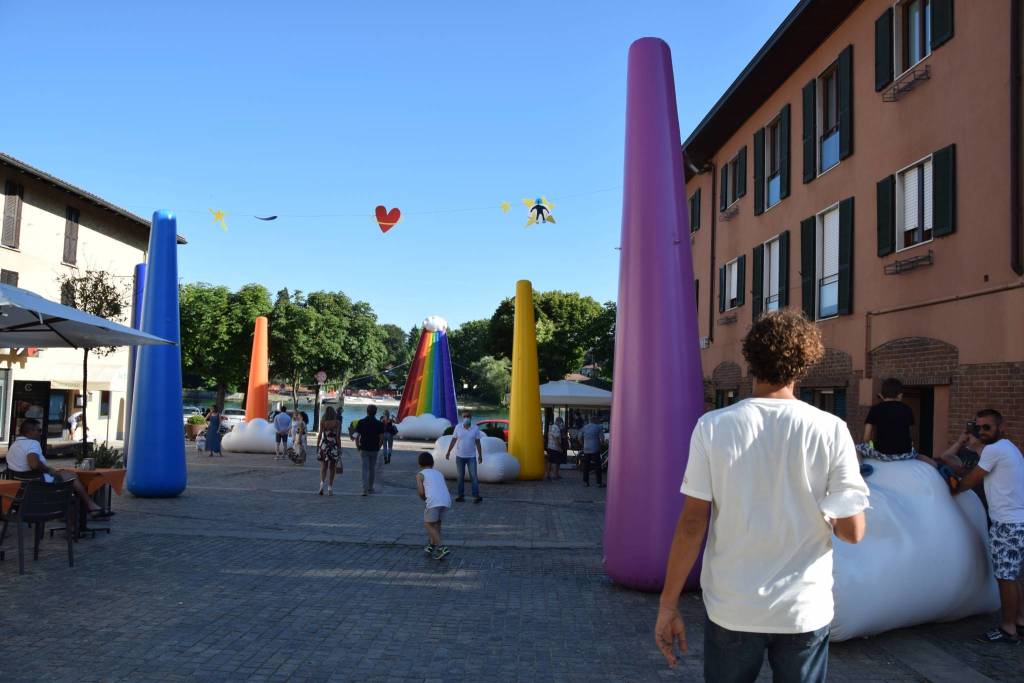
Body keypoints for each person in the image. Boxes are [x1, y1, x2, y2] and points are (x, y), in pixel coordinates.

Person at [655, 310, 868, 681]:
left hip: (732, 607)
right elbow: (852, 532)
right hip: (803, 609)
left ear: (750, 359)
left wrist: (668, 605)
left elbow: (692, 525)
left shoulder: (712, 427)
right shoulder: (832, 430)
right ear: (804, 364)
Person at [940, 409, 1024, 644]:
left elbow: (968, 482)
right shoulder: (1007, 448)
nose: (982, 432)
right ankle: (1019, 621)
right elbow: (966, 468)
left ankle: (1008, 629)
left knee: (1005, 577)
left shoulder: (995, 450)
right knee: (1013, 576)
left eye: (987, 427)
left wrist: (953, 485)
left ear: (1001, 427)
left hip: (1007, 524)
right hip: (1016, 522)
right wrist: (962, 443)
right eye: (978, 427)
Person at [6, 419, 112, 520]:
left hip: (22, 489)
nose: (40, 433)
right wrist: (49, 470)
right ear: (30, 431)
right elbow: (33, 464)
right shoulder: (32, 443)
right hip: (38, 486)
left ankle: (81, 510)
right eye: (39, 430)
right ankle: (89, 507)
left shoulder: (14, 445)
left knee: (66, 476)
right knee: (72, 477)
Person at [416, 452, 452, 560]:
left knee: (428, 524)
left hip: (434, 501)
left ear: (420, 464)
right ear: (432, 463)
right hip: (446, 500)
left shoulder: (420, 475)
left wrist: (424, 500)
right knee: (437, 524)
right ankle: (431, 545)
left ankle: (441, 547)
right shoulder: (439, 473)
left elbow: (421, 492)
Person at [445, 411, 483, 503]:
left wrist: (480, 455)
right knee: (460, 477)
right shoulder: (458, 427)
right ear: (462, 418)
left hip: (472, 457)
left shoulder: (475, 428)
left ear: (471, 417)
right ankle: (460, 496)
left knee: (474, 476)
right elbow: (453, 440)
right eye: (464, 416)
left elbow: (478, 443)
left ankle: (476, 496)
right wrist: (448, 451)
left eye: (468, 416)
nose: (466, 418)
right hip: (460, 456)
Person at [352, 404, 385, 496]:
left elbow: (357, 436)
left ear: (367, 411)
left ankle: (364, 489)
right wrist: (379, 447)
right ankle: (370, 487)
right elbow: (381, 438)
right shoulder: (379, 424)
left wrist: (358, 446)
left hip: (364, 448)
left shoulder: (361, 422)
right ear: (376, 412)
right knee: (372, 469)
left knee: (364, 469)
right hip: (374, 449)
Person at [316, 406, 342, 496]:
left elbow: (320, 435)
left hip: (325, 445)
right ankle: (330, 488)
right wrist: (339, 448)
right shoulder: (337, 423)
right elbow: (338, 437)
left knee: (324, 466)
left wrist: (317, 446)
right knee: (332, 468)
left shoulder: (323, 422)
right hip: (333, 445)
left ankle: (321, 485)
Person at [579, 414, 606, 488]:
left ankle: (585, 482)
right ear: (595, 420)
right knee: (597, 466)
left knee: (586, 466)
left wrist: (583, 444)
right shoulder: (598, 427)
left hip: (586, 449)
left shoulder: (585, 427)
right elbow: (602, 439)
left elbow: (579, 437)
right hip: (595, 449)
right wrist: (601, 444)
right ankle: (599, 482)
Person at [545, 416, 567, 480]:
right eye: (561, 422)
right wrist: (559, 447)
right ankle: (555, 475)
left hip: (550, 446)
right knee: (555, 462)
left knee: (550, 461)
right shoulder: (556, 428)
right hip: (555, 447)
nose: (562, 424)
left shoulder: (551, 427)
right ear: (559, 422)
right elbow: (556, 438)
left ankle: (548, 475)